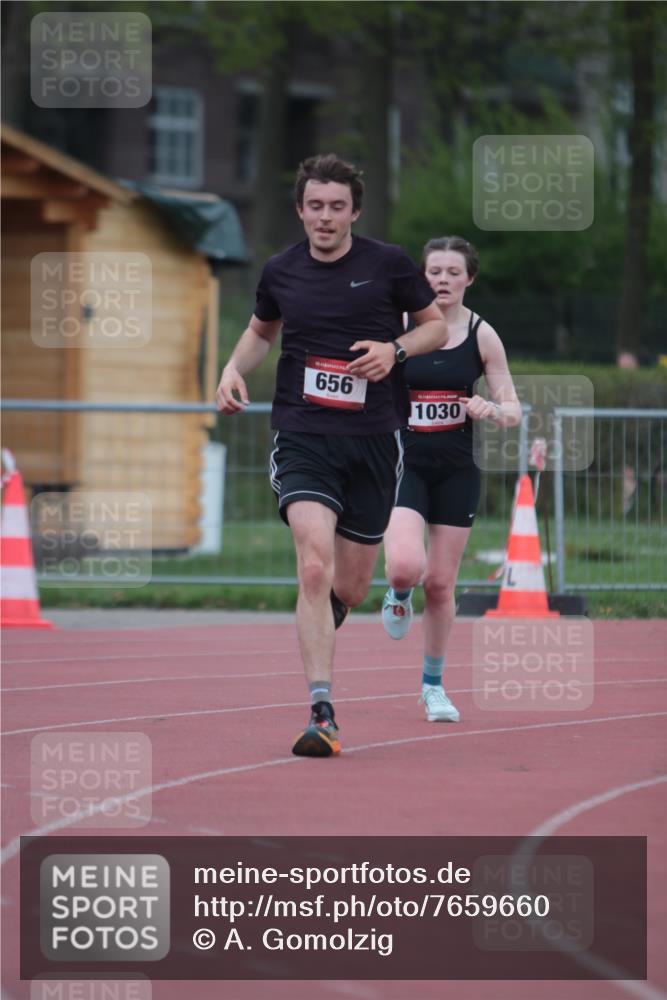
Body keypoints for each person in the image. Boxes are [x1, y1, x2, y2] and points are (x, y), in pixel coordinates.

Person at [216, 154, 448, 757]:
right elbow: (261, 331)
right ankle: (322, 712)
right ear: (300, 210)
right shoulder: (280, 270)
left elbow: (435, 329)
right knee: (313, 568)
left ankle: (323, 618)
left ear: (355, 212)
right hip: (303, 434)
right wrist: (231, 369)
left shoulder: (388, 264)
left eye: (336, 207)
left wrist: (394, 352)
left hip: (373, 440)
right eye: (315, 206)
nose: (325, 217)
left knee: (348, 586)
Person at [381, 236, 521, 722]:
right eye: (433, 272)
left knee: (441, 585)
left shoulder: (483, 334)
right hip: (404, 463)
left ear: (469, 279)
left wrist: (491, 407)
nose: (442, 280)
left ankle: (433, 686)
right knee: (405, 567)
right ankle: (397, 594)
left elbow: (513, 411)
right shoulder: (400, 327)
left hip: (458, 469)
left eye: (452, 272)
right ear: (421, 278)